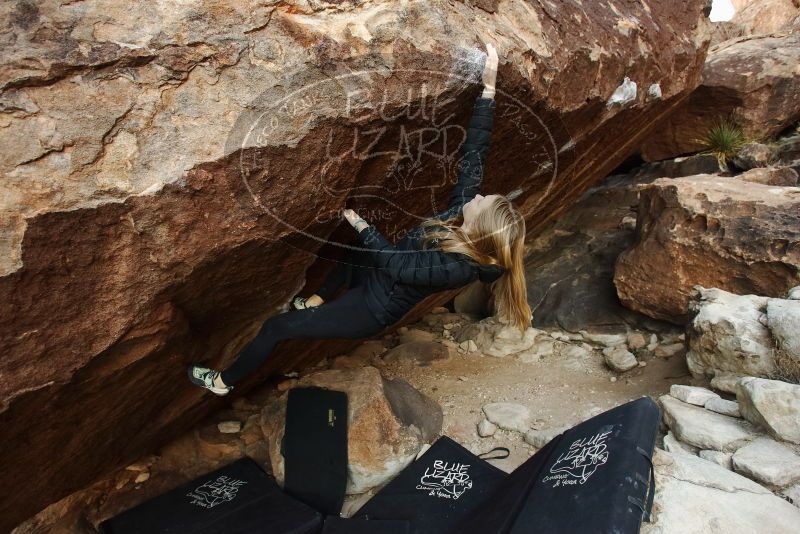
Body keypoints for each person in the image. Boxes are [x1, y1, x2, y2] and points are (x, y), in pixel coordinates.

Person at [188, 42, 531, 395]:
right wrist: (489, 89)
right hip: (376, 276)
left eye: (483, 201)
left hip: (370, 308)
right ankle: (317, 298)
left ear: (481, 228)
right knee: (349, 250)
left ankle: (222, 381)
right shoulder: (463, 212)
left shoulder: (459, 268)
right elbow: (475, 152)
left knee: (277, 327)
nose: (477, 195)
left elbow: (398, 267)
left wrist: (363, 225)